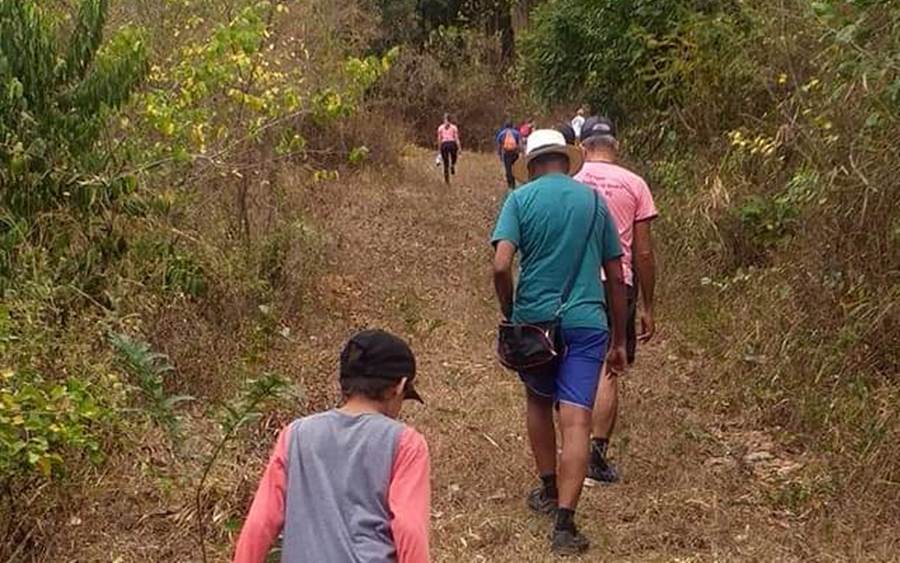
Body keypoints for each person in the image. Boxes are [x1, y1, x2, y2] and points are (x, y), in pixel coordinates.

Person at [491, 129, 628, 555]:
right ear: (567, 163)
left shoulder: (520, 200)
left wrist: (510, 308)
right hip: (588, 322)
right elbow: (616, 275)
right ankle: (566, 524)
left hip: (535, 322)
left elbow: (500, 265)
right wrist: (619, 337)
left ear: (530, 165)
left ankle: (548, 489)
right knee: (576, 421)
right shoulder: (593, 203)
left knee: (537, 402)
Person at [233, 329, 431, 563]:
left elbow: (260, 522)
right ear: (399, 386)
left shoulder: (295, 435)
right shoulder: (406, 444)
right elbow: (409, 528)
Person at [574, 117, 658, 485]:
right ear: (616, 147)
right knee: (610, 366)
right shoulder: (635, 184)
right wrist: (648, 305)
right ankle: (594, 456)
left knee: (574, 362)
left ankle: (570, 450)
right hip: (617, 285)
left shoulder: (571, 185)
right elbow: (642, 252)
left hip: (576, 284)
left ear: (582, 147)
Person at [495, 121, 521, 190]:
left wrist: (499, 153)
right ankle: (517, 181)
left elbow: (499, 144)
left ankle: (511, 185)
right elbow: (519, 143)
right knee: (516, 168)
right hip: (515, 153)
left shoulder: (502, 133)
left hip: (506, 153)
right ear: (512, 125)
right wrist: (520, 152)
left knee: (508, 169)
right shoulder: (516, 133)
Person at [436, 113, 461, 184]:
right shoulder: (440, 128)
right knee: (445, 162)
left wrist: (459, 147)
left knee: (454, 157)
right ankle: (447, 180)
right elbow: (439, 139)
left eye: (447, 120)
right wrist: (439, 148)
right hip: (445, 144)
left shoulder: (454, 128)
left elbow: (456, 138)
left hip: (452, 143)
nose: (446, 121)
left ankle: (452, 165)